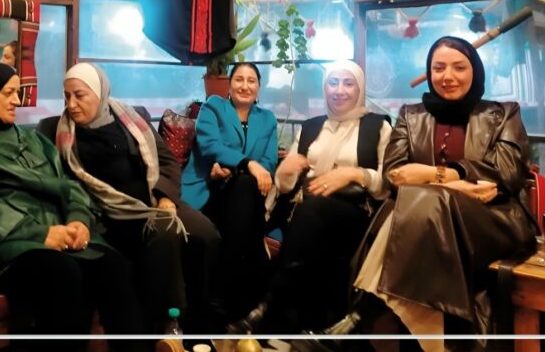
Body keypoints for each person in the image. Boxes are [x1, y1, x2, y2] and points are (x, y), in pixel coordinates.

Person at [303, 36, 537, 352]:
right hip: (425, 222)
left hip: (492, 222)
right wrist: (455, 187)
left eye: (459, 67)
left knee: (423, 201)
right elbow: (395, 174)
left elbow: (508, 170)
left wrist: (442, 176)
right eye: (438, 68)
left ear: (475, 71)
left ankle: (362, 315)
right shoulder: (411, 116)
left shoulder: (503, 113)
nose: (448, 76)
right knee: (421, 205)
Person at [0, 62, 144, 350]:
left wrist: (78, 220)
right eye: (8, 93)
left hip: (58, 234)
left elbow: (69, 185)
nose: (17, 100)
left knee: (112, 265)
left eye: (18, 92)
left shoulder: (34, 140)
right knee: (61, 272)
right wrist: (40, 234)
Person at [37, 63, 221, 333]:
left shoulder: (129, 118)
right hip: (112, 213)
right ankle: (167, 322)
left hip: (154, 199)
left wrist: (165, 198)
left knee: (206, 233)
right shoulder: (60, 133)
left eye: (79, 95)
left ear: (100, 93)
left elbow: (166, 160)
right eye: (67, 96)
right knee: (165, 231)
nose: (71, 104)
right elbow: (66, 186)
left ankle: (201, 318)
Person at [229, 60, 392, 334]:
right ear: (324, 88)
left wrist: (355, 174)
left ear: (360, 89)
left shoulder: (378, 127)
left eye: (348, 83)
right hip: (305, 211)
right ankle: (305, 322)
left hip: (355, 214)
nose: (339, 90)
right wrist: (285, 172)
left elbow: (387, 183)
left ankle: (270, 307)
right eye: (333, 83)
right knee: (298, 216)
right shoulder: (312, 127)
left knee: (310, 213)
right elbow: (285, 186)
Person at [181, 62, 278, 321]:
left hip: (245, 193)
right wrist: (247, 164)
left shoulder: (267, 119)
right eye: (239, 79)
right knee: (249, 212)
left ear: (258, 88)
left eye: (251, 81)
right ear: (230, 85)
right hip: (209, 190)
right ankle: (249, 303)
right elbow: (210, 145)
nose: (245, 86)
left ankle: (222, 297)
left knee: (244, 186)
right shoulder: (213, 107)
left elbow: (269, 161)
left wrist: (242, 170)